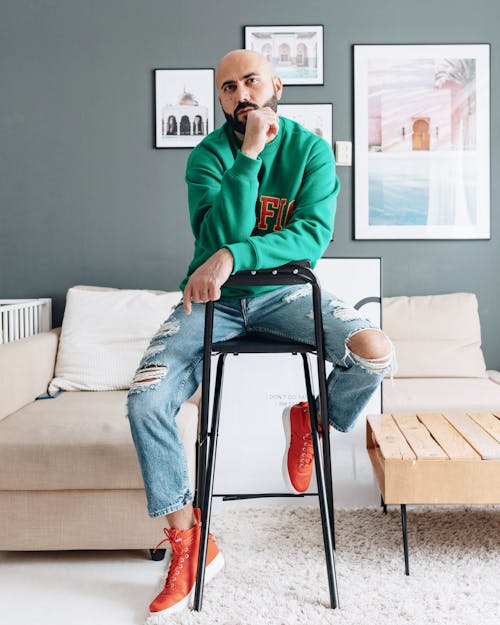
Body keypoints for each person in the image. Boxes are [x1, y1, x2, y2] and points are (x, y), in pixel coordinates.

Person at [127, 49, 395, 621]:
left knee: (374, 352)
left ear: (276, 85)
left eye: (251, 81)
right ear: (220, 99)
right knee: (145, 399)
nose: (241, 94)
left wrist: (231, 253)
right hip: (212, 302)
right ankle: (190, 542)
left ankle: (312, 420)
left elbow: (308, 240)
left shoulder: (310, 151)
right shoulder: (207, 156)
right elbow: (216, 231)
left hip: (288, 294)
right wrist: (247, 155)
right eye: (228, 87)